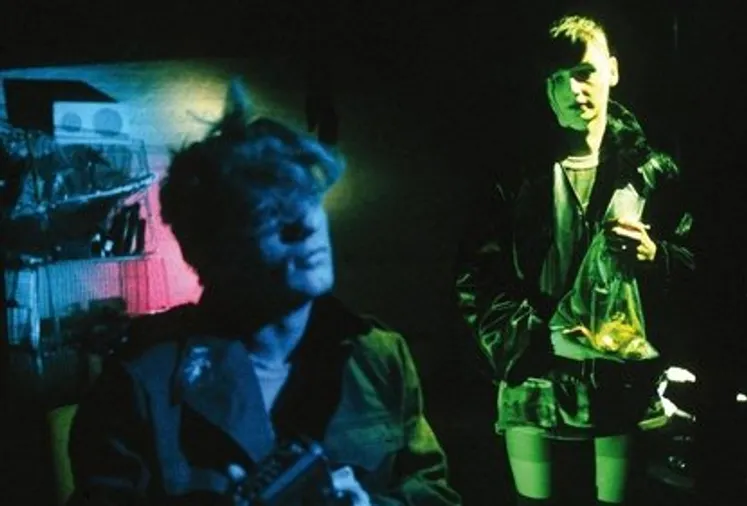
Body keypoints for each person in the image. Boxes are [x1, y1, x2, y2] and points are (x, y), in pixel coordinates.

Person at [66, 80, 462, 506]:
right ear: (210, 250)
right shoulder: (140, 383)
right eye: (269, 213)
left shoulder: (379, 356)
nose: (306, 225)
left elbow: (433, 492)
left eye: (308, 198)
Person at [455, 12, 695, 506]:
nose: (572, 90)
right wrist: (538, 339)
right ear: (545, 89)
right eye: (557, 78)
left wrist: (657, 256)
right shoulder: (513, 176)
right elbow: (476, 279)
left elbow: (702, 265)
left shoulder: (653, 171)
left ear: (612, 71)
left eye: (584, 72)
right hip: (534, 378)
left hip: (620, 379)